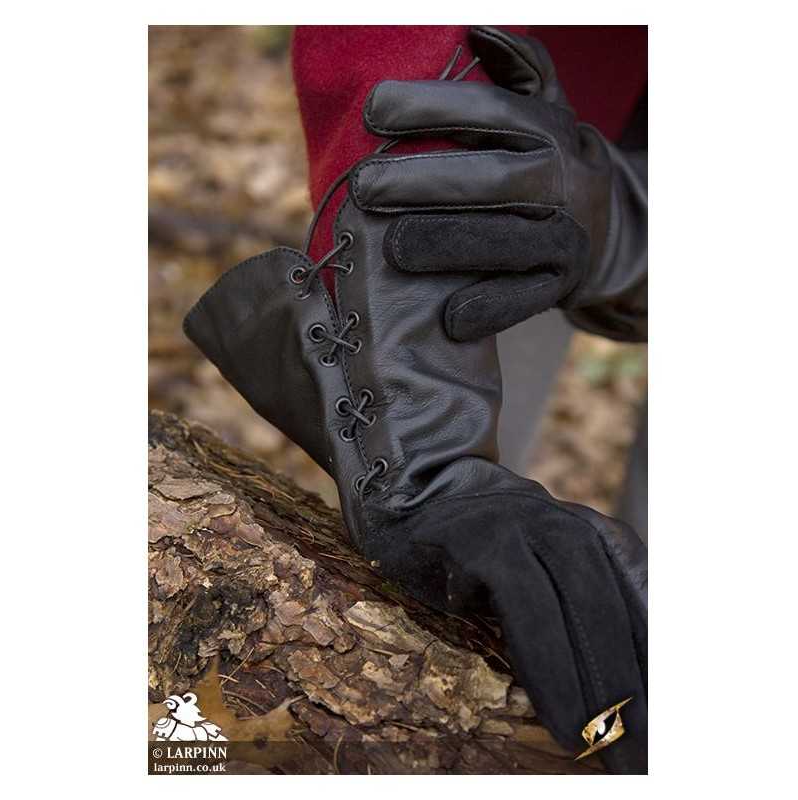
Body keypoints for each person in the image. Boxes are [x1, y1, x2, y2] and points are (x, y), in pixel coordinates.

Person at [185, 25, 648, 773]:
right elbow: (393, 48)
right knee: (465, 540)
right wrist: (420, 452)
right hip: (498, 146)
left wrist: (631, 224)